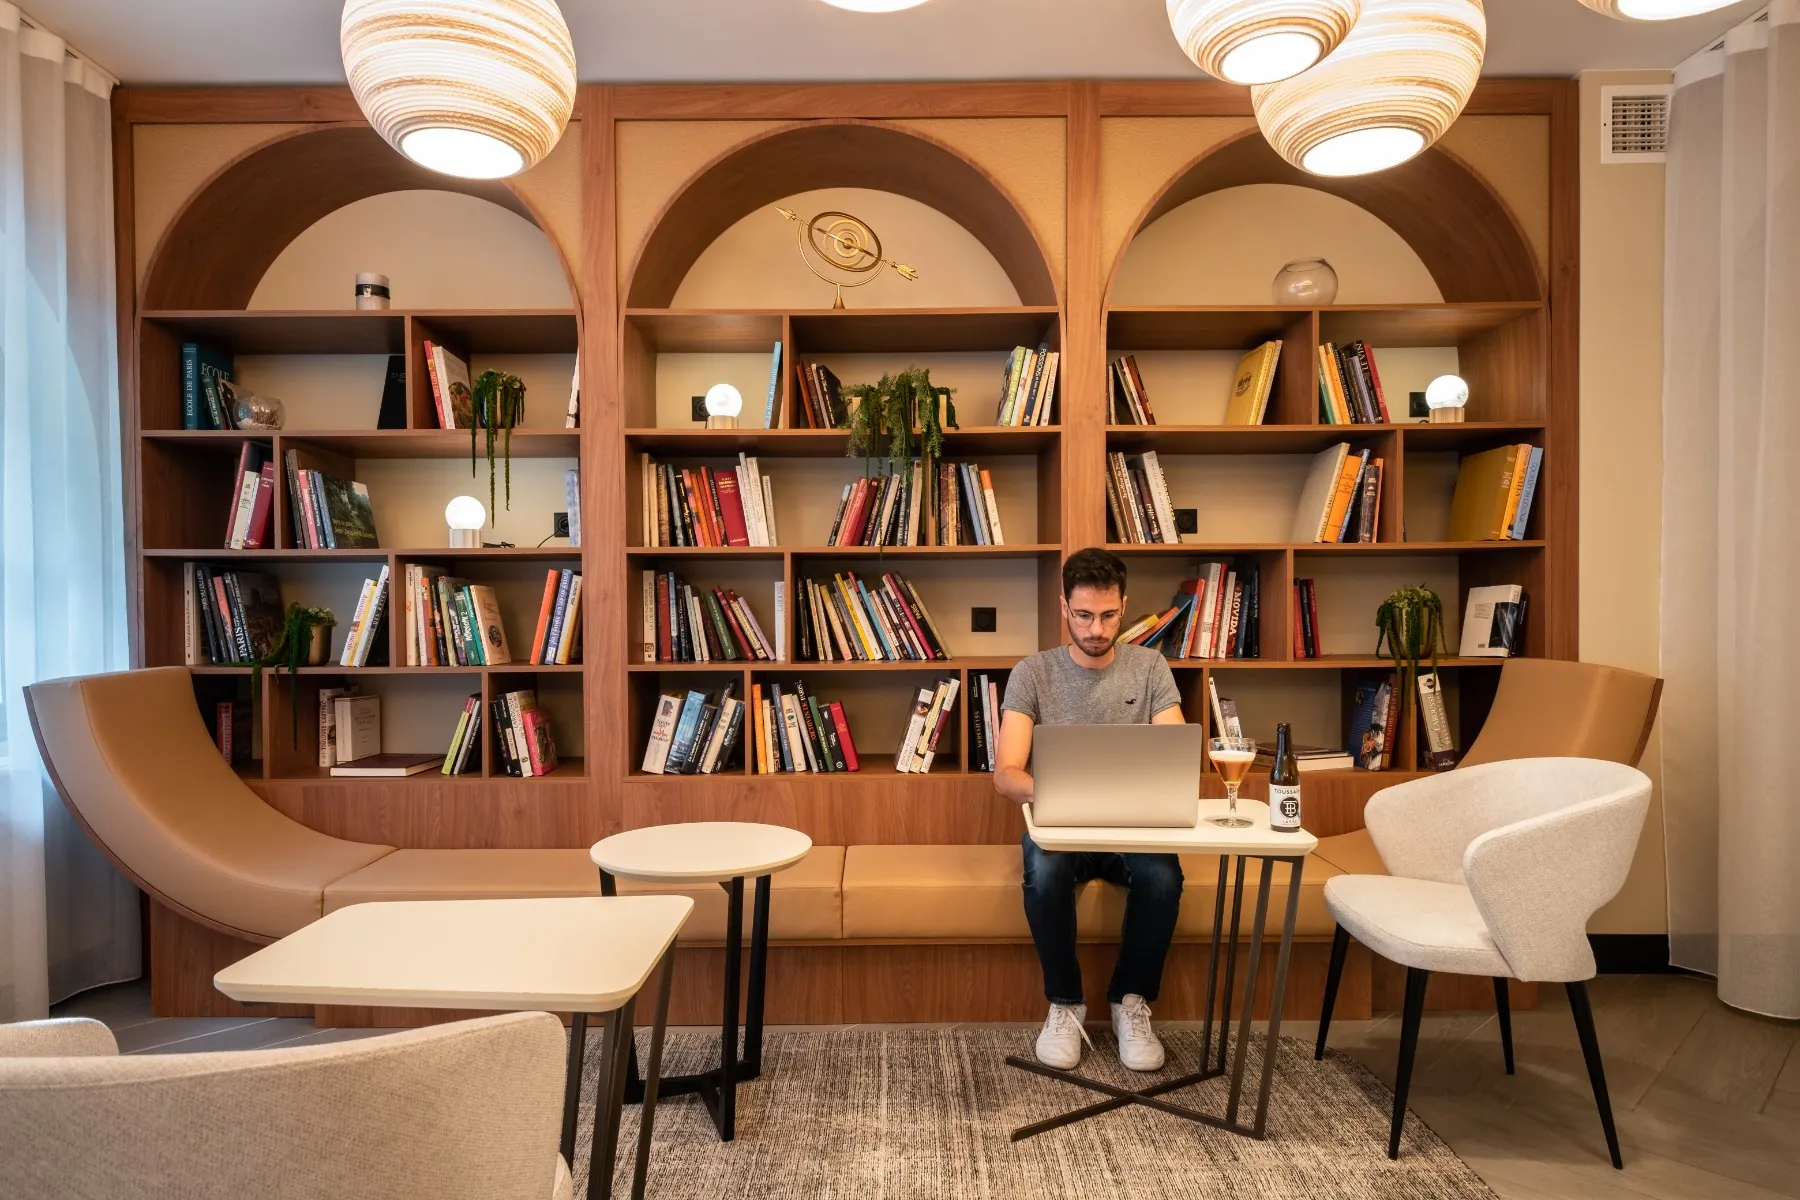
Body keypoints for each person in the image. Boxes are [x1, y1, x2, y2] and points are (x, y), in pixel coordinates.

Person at [993, 547, 1186, 1072]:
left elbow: (1172, 755)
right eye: (1083, 615)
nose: (1096, 628)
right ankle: (1064, 1004)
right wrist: (1060, 796)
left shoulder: (1150, 667)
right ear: (1064, 607)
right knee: (1046, 869)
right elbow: (1006, 773)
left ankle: (1131, 1003)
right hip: (1060, 825)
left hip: (1133, 829)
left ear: (1123, 607)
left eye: (1107, 615)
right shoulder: (1033, 673)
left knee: (1164, 877)